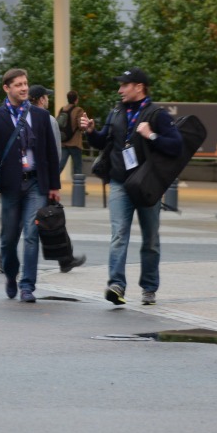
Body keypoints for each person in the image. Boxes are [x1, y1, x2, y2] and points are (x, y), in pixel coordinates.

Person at [82, 67, 182, 306]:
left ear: (139, 87)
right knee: (119, 235)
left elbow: (176, 146)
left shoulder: (157, 114)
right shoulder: (116, 111)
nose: (120, 90)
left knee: (150, 239)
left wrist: (151, 136)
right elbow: (103, 140)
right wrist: (90, 132)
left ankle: (149, 287)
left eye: (124, 85)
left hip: (148, 185)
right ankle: (116, 285)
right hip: (119, 182)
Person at [0, 68, 61, 303]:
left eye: (25, 83)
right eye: (18, 85)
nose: (24, 88)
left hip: (36, 183)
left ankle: (28, 286)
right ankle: (11, 276)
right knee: (8, 238)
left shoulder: (41, 116)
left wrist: (54, 185)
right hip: (11, 186)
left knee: (32, 233)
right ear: (7, 88)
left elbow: (51, 153)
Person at [31, 84, 86, 273]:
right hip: (44, 180)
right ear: (40, 99)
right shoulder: (48, 119)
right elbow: (55, 152)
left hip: (26, 178)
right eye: (46, 96)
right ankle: (65, 259)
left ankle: (3, 259)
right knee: (54, 218)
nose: (48, 99)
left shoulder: (22, 118)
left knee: (25, 220)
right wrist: (54, 184)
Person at [58, 90, 86, 176]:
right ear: (76, 100)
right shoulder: (78, 110)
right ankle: (78, 189)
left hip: (64, 142)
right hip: (75, 143)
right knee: (77, 168)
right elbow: (81, 126)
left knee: (60, 165)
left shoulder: (62, 109)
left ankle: (50, 184)